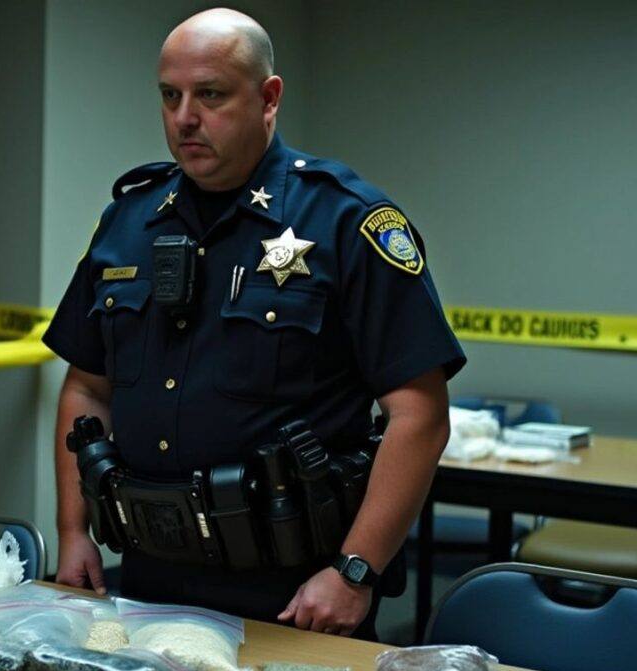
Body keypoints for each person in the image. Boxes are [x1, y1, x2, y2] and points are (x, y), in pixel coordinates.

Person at [42, 8, 465, 638]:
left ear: (269, 98)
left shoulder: (345, 221)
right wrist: (74, 531)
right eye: (170, 95)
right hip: (147, 579)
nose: (185, 117)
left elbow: (420, 416)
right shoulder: (129, 221)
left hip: (292, 596)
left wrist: (355, 572)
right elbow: (87, 388)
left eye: (210, 94)